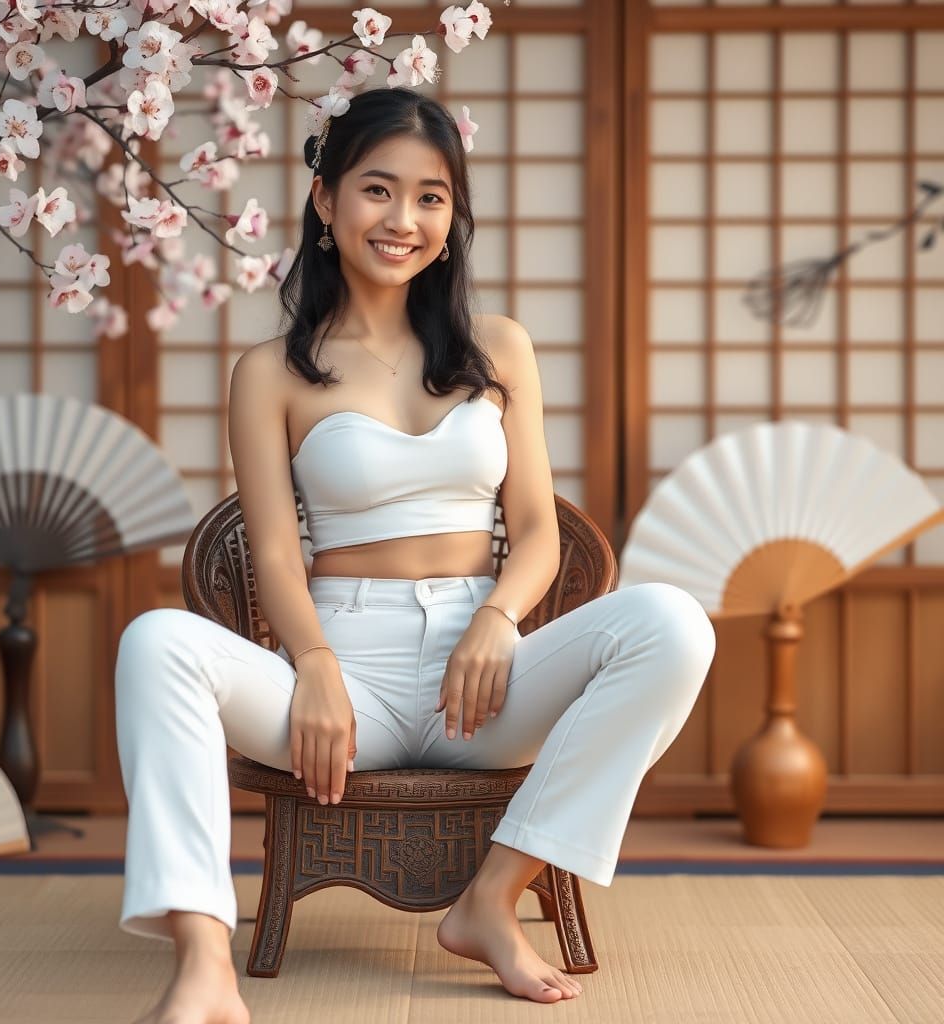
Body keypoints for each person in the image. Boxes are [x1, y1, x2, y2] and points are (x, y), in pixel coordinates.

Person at [114, 86, 716, 1023]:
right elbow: (274, 547)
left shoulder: (500, 349)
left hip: (484, 678)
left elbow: (539, 531)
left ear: (453, 214)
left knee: (672, 623)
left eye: (431, 197)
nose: (404, 220)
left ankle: (493, 898)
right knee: (153, 641)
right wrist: (311, 662)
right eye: (378, 190)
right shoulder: (271, 373)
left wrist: (496, 619)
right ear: (326, 200)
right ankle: (202, 962)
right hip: (344, 678)